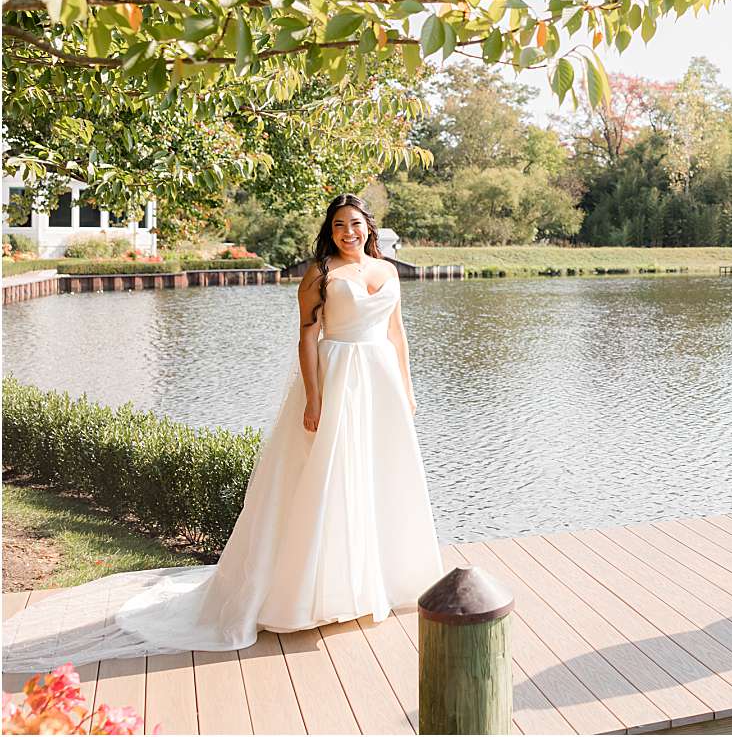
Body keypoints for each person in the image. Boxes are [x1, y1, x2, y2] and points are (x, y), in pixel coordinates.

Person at [2, 194, 443, 670]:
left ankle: (379, 580)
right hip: (338, 378)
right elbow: (307, 336)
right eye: (338, 225)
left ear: (369, 227)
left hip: (381, 383)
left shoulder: (387, 271)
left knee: (380, 476)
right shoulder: (320, 274)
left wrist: (407, 389)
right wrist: (315, 399)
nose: (348, 232)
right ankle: (321, 591)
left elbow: (396, 333)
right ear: (329, 230)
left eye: (355, 223)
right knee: (329, 478)